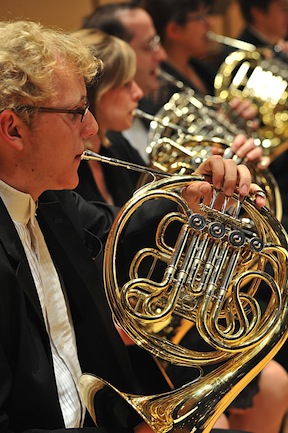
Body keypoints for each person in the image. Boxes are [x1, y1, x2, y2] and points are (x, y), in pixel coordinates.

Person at [0, 18, 264, 433]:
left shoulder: (51, 203)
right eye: (75, 113)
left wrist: (192, 198)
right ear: (13, 129)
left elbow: (119, 229)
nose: (92, 129)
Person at [71, 22, 288, 433]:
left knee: (273, 382)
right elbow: (118, 240)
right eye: (126, 85)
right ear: (95, 97)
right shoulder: (68, 175)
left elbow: (159, 231)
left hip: (161, 322)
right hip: (126, 330)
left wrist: (223, 209)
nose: (139, 94)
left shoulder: (119, 149)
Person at [72, 29, 145, 207]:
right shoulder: (65, 164)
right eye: (126, 84)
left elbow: (152, 205)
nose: (138, 93)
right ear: (95, 93)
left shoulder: (117, 144)